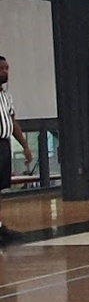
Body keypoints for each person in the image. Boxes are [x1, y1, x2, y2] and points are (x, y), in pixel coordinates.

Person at [0, 56, 33, 245]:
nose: (6, 72)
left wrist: (25, 146)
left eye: (7, 68)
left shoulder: (6, 97)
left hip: (4, 145)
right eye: (2, 68)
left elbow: (12, 123)